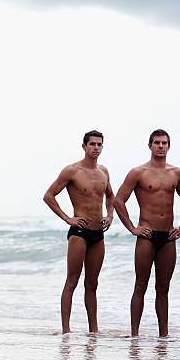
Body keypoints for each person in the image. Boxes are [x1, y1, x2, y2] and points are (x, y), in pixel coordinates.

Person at [115, 129, 180, 337]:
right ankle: (134, 334)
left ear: (169, 146)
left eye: (164, 143)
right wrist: (132, 228)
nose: (160, 146)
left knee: (163, 287)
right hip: (146, 236)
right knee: (141, 284)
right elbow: (118, 200)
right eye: (157, 142)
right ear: (150, 145)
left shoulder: (176, 173)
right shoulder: (138, 172)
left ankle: (164, 336)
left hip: (167, 236)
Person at [43, 130, 114, 334]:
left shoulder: (103, 172)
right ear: (84, 147)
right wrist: (68, 218)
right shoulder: (72, 171)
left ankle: (94, 331)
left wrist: (109, 215)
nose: (96, 148)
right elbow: (49, 196)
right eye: (92, 144)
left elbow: (110, 196)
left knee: (92, 283)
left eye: (99, 144)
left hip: (97, 234)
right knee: (72, 281)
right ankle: (66, 330)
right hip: (79, 233)